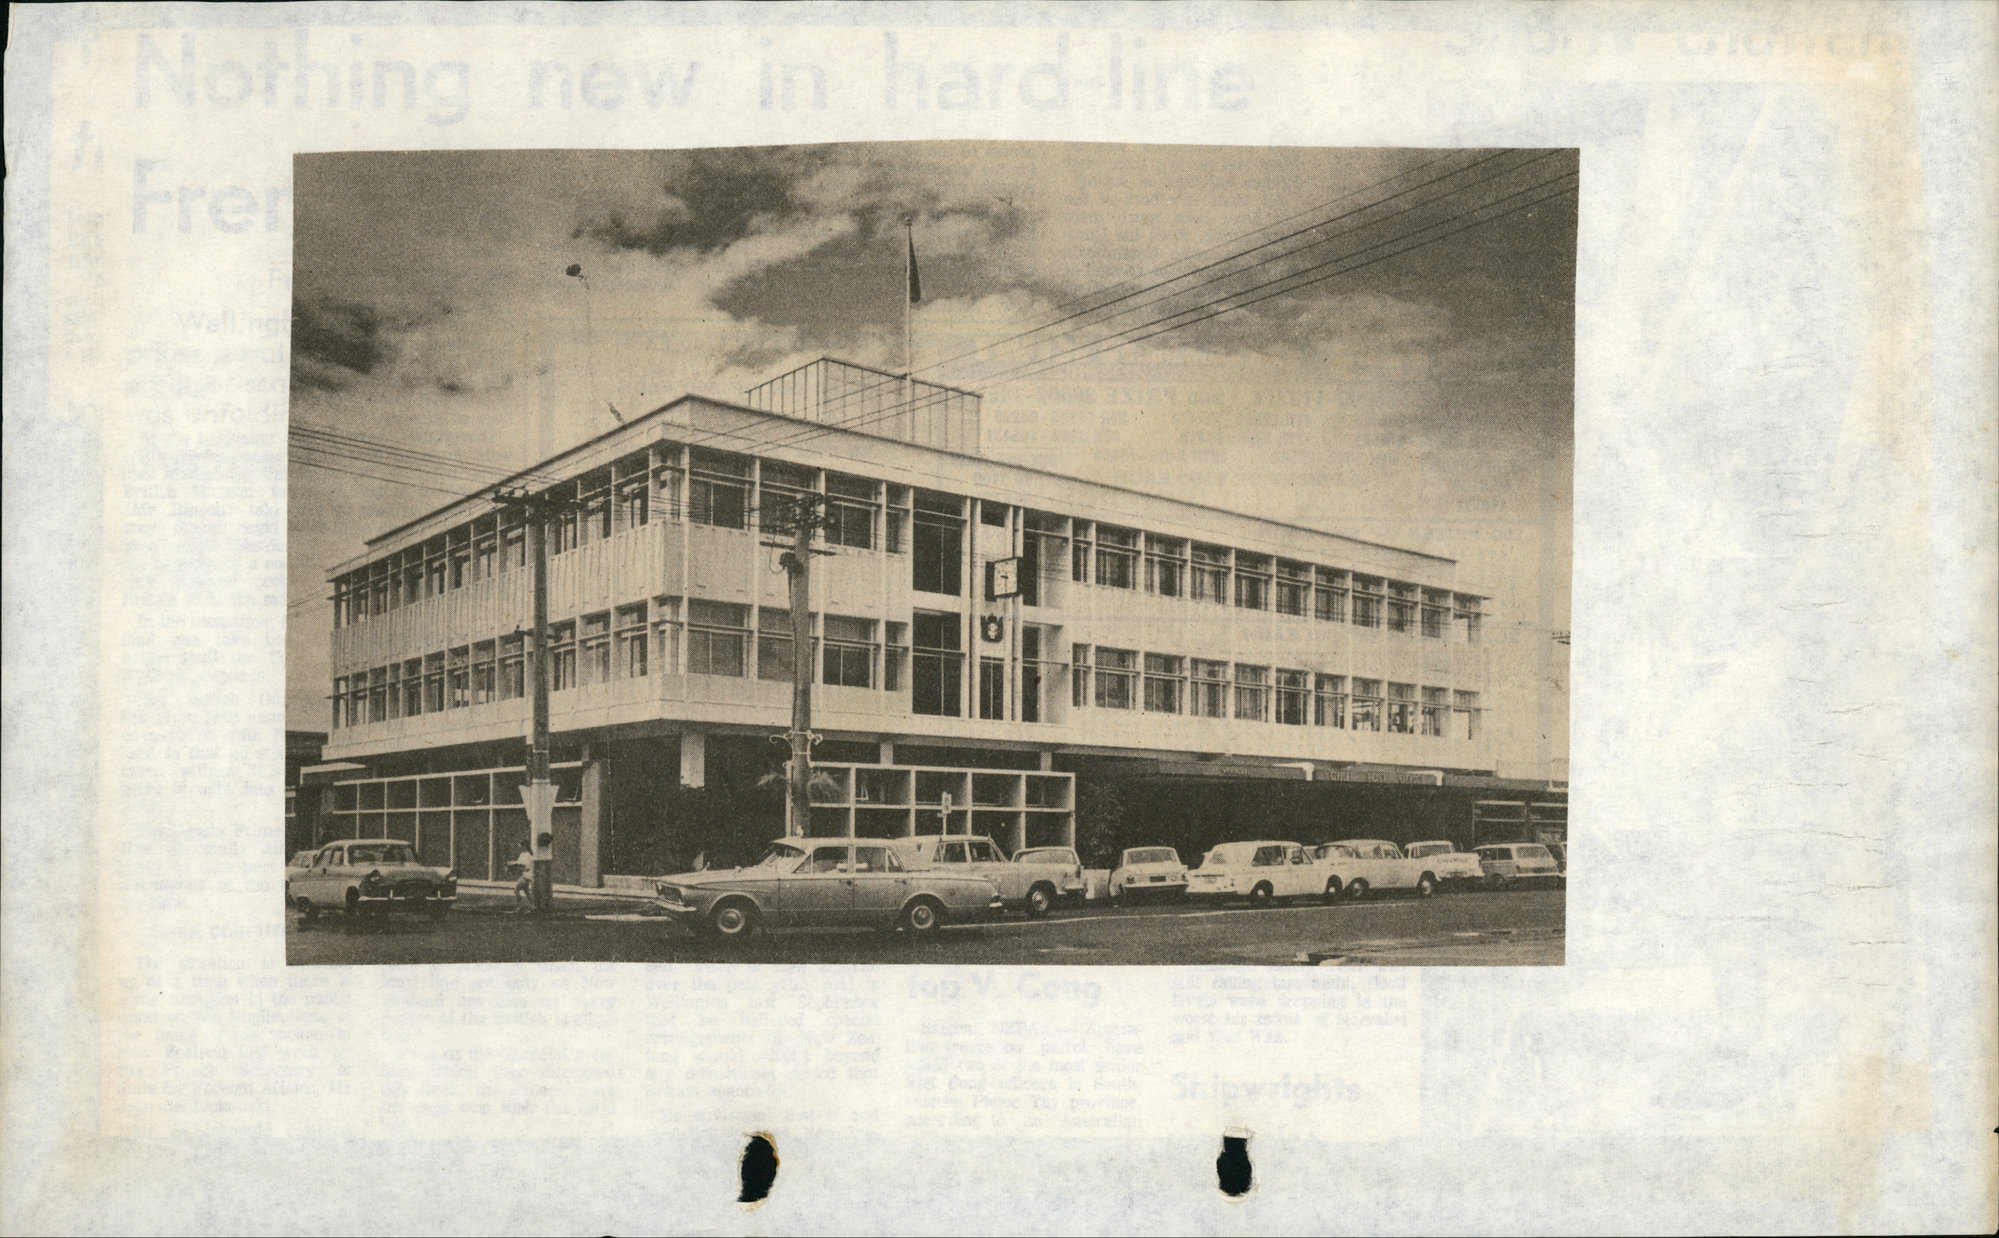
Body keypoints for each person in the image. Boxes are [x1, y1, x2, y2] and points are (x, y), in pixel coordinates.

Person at [511, 842, 535, 913]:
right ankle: (533, 906)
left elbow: (527, 867)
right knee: (526, 891)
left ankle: (519, 906)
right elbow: (518, 862)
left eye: (521, 846)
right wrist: (512, 864)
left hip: (527, 875)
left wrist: (520, 867)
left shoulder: (528, 855)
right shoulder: (522, 854)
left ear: (524, 846)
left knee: (516, 889)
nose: (520, 847)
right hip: (524, 875)